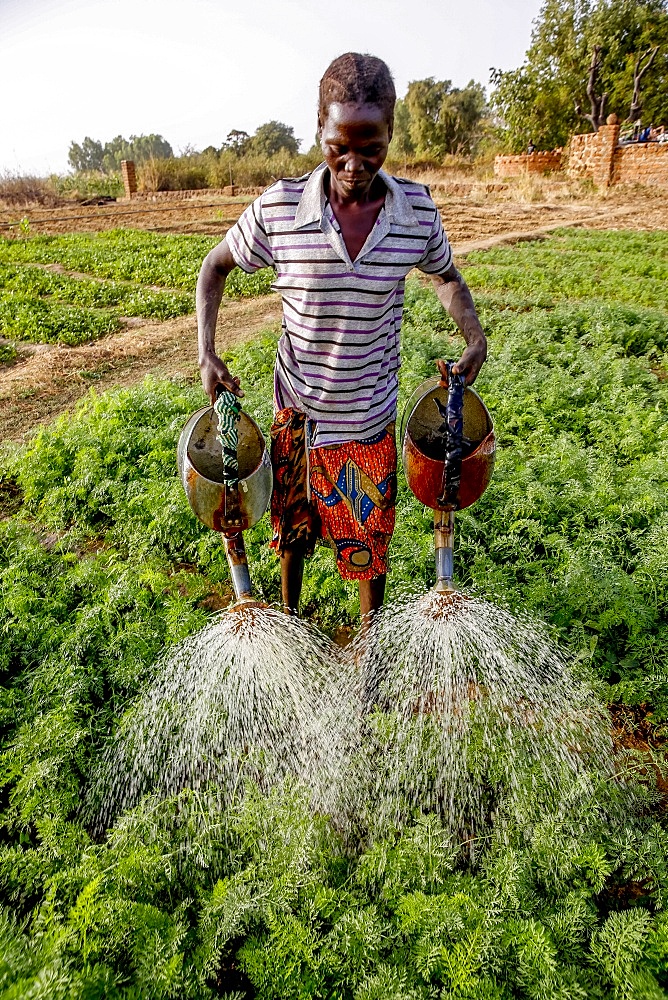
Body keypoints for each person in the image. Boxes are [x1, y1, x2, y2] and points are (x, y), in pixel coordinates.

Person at [196, 52, 487, 621]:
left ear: (390, 135)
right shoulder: (280, 209)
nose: (354, 163)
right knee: (294, 536)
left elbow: (446, 276)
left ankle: (370, 639)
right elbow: (214, 267)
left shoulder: (415, 213)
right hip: (298, 417)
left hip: (368, 420)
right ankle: (290, 627)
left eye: (371, 147)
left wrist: (473, 335)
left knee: (368, 548)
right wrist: (206, 352)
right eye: (339, 147)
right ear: (320, 132)